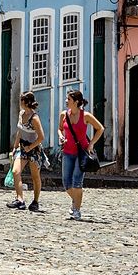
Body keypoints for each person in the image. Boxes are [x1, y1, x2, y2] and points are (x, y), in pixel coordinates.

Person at [58, 90, 104, 221]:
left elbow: (100, 128)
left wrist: (91, 144)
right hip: (67, 152)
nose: (66, 101)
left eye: (69, 99)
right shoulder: (63, 115)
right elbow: (60, 128)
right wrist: (61, 136)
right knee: (66, 182)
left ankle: (76, 210)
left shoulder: (86, 116)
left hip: (81, 152)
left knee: (77, 181)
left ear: (76, 102)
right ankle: (75, 201)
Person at [6, 92, 45, 212]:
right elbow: (20, 130)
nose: (20, 103)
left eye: (21, 101)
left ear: (26, 102)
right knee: (15, 171)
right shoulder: (21, 114)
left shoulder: (34, 118)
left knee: (35, 176)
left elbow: (41, 137)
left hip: (34, 150)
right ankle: (20, 200)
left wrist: (31, 147)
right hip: (22, 147)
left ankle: (36, 201)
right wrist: (15, 146)